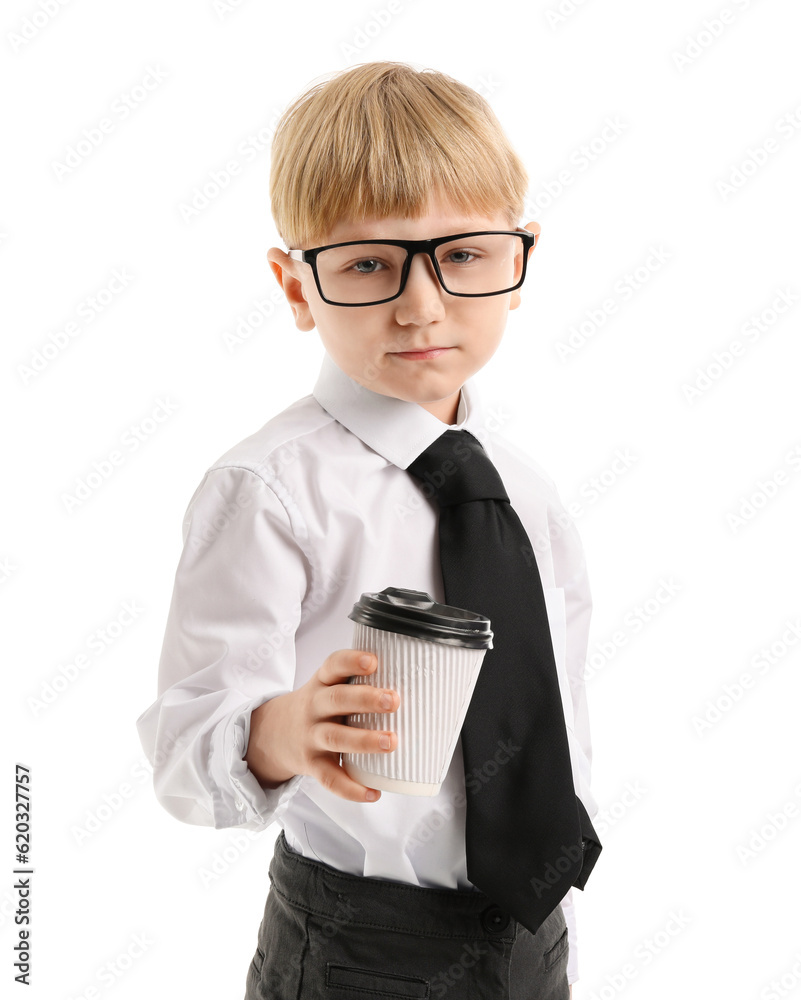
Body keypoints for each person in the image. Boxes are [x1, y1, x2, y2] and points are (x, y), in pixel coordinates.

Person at [136, 60, 601, 999]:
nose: (421, 305)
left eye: (463, 254)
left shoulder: (524, 487)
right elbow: (186, 751)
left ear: (520, 262)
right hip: (361, 948)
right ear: (296, 284)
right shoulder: (267, 490)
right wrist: (282, 731)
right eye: (366, 265)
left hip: (534, 934)